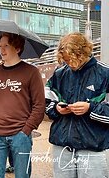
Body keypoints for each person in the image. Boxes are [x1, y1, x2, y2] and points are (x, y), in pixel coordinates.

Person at [0, 32, 45, 178]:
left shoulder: (31, 72)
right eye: (0, 46)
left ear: (18, 48)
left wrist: (25, 131)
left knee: (22, 176)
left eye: (6, 46)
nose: (2, 50)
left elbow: (39, 106)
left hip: (20, 135)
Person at [45, 32, 109, 177]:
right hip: (62, 144)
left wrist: (90, 108)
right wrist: (56, 109)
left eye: (71, 60)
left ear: (83, 52)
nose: (69, 64)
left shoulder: (105, 73)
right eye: (65, 60)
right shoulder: (60, 73)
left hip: (92, 147)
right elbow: (46, 102)